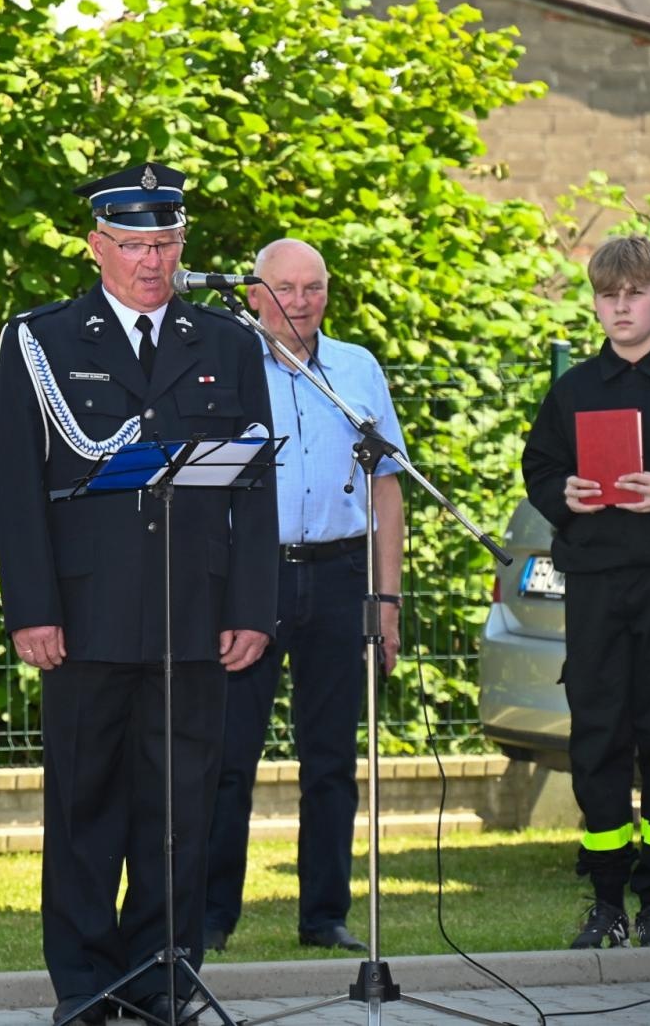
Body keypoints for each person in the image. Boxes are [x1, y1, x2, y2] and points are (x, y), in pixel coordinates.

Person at [0, 163, 278, 1026]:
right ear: (96, 247)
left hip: (196, 614)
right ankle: (84, 982)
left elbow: (256, 489)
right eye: (134, 245)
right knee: (85, 804)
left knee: (180, 806)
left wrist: (251, 607)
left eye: (166, 243)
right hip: (83, 615)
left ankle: (162, 975)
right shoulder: (43, 339)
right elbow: (13, 487)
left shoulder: (226, 343)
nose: (152, 261)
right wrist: (31, 608)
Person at [202, 238, 407, 956]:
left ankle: (324, 916)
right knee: (229, 756)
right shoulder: (223, 367)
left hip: (341, 573)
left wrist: (387, 599)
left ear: (328, 292)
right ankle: (212, 916)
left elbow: (387, 488)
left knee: (331, 759)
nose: (299, 301)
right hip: (249, 578)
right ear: (254, 294)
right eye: (283, 288)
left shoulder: (356, 369)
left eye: (312, 287)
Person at [521, 234, 650, 950]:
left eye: (633, 294)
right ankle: (604, 900)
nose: (619, 307)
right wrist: (562, 493)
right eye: (607, 295)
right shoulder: (572, 391)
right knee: (597, 739)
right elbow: (538, 469)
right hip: (592, 585)